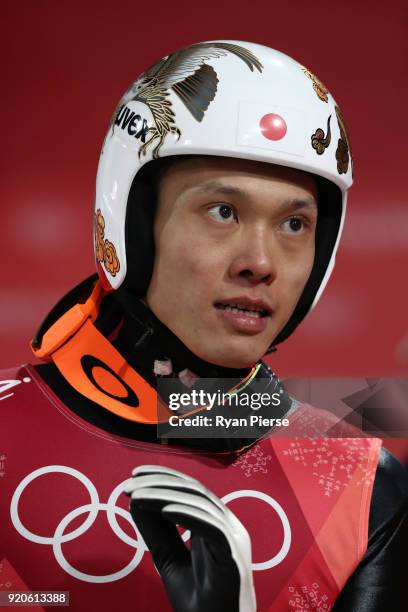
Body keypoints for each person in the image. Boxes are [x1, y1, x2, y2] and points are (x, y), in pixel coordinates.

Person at [1, 41, 406, 612]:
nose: (260, 263)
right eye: (223, 211)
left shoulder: (360, 486)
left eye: (295, 223)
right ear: (133, 225)